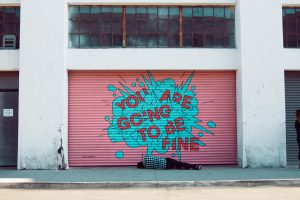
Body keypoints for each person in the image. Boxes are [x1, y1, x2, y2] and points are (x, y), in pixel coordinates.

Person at [137, 154, 201, 170]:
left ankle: (183, 167)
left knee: (178, 165)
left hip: (166, 167)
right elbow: (148, 156)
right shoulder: (146, 158)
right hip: (167, 161)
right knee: (179, 163)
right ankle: (194, 166)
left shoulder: (146, 167)